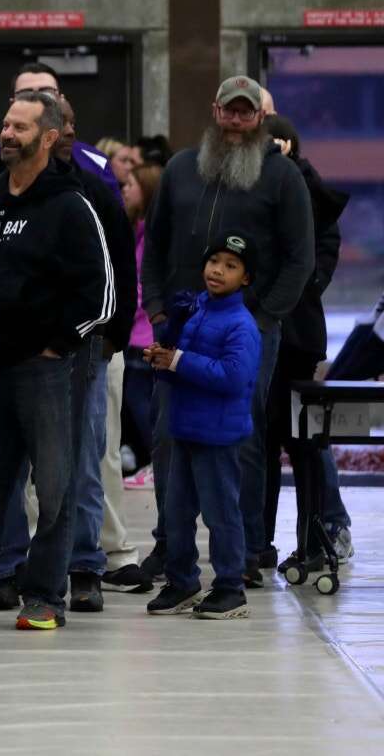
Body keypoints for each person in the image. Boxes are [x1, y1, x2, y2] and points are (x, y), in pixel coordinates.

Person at [0, 91, 113, 631]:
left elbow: (101, 294)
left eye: (20, 126)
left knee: (55, 488)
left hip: (46, 371)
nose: (8, 134)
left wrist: (59, 343)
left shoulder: (71, 205)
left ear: (48, 137)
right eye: (5, 122)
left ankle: (43, 597)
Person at [139, 75, 314, 588]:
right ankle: (172, 550)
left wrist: (262, 318)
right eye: (228, 112)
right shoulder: (179, 170)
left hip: (245, 330)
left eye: (246, 113)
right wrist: (156, 307)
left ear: (260, 117)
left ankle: (247, 552)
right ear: (215, 112)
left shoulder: (281, 177)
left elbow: (300, 258)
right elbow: (156, 245)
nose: (236, 122)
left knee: (242, 438)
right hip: (179, 327)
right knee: (169, 435)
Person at [145, 234, 260, 620]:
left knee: (221, 514)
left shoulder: (242, 325)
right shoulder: (198, 310)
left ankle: (230, 587)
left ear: (246, 278)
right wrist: (163, 359)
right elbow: (186, 363)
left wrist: (178, 361)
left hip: (218, 435)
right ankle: (182, 581)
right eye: (215, 261)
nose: (218, 270)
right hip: (185, 427)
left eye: (231, 265)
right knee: (176, 512)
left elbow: (232, 376)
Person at [259, 114, 352, 571]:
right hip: (257, 332)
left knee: (306, 445)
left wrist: (295, 167)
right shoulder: (249, 185)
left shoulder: (308, 186)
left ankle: (314, 544)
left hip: (299, 335)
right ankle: (258, 543)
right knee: (260, 444)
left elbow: (326, 228)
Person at [0, 62, 121, 201]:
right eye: (26, 94)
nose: (37, 100)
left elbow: (115, 229)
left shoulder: (95, 163)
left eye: (46, 93)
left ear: (61, 99)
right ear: (12, 103)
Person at [120, 162, 165, 487]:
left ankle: (157, 462)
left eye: (131, 184)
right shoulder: (138, 228)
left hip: (142, 332)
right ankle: (153, 461)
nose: (124, 189)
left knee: (141, 404)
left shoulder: (151, 233)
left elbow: (140, 284)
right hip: (137, 331)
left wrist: (127, 312)